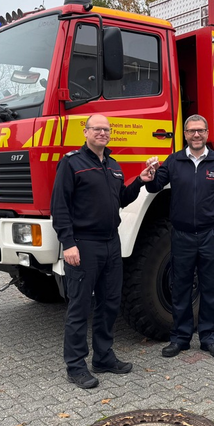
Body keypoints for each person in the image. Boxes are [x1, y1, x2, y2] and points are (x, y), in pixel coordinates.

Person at [51, 114, 156, 389]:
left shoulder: (113, 165)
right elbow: (59, 207)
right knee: (79, 307)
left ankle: (103, 357)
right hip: (84, 245)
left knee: (109, 303)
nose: (102, 133)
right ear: (85, 132)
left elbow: (121, 199)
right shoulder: (72, 163)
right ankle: (76, 366)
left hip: (111, 243)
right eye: (96, 129)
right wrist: (68, 243)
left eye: (106, 129)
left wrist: (140, 181)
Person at [145, 114, 214, 359]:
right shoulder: (174, 161)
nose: (196, 135)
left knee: (210, 289)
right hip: (182, 236)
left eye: (201, 130)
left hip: (210, 235)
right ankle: (180, 338)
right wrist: (151, 174)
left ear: (207, 133)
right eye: (192, 131)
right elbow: (155, 186)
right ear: (185, 134)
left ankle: (209, 338)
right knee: (181, 288)